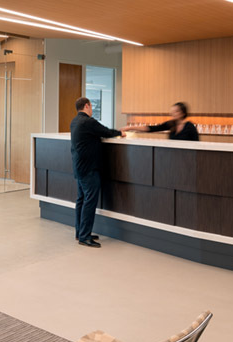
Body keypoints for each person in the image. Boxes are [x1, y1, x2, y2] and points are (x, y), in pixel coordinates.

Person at [70, 97, 124, 248]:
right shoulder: (88, 122)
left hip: (79, 167)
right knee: (89, 201)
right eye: (91, 106)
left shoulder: (75, 121)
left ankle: (80, 232)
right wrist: (120, 132)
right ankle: (85, 236)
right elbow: (106, 132)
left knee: (81, 200)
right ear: (87, 106)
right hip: (89, 169)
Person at [122, 102, 199, 141]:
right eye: (172, 111)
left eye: (176, 111)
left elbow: (197, 144)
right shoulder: (171, 124)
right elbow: (151, 128)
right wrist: (130, 127)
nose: (173, 113)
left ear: (183, 113)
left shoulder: (190, 127)